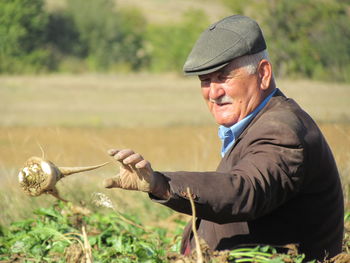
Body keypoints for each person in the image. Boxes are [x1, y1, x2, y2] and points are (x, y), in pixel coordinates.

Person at [103, 15, 344, 261]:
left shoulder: (282, 129)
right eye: (205, 80)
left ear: (263, 74)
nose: (214, 92)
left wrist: (161, 184)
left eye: (224, 77)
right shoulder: (256, 123)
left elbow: (244, 192)